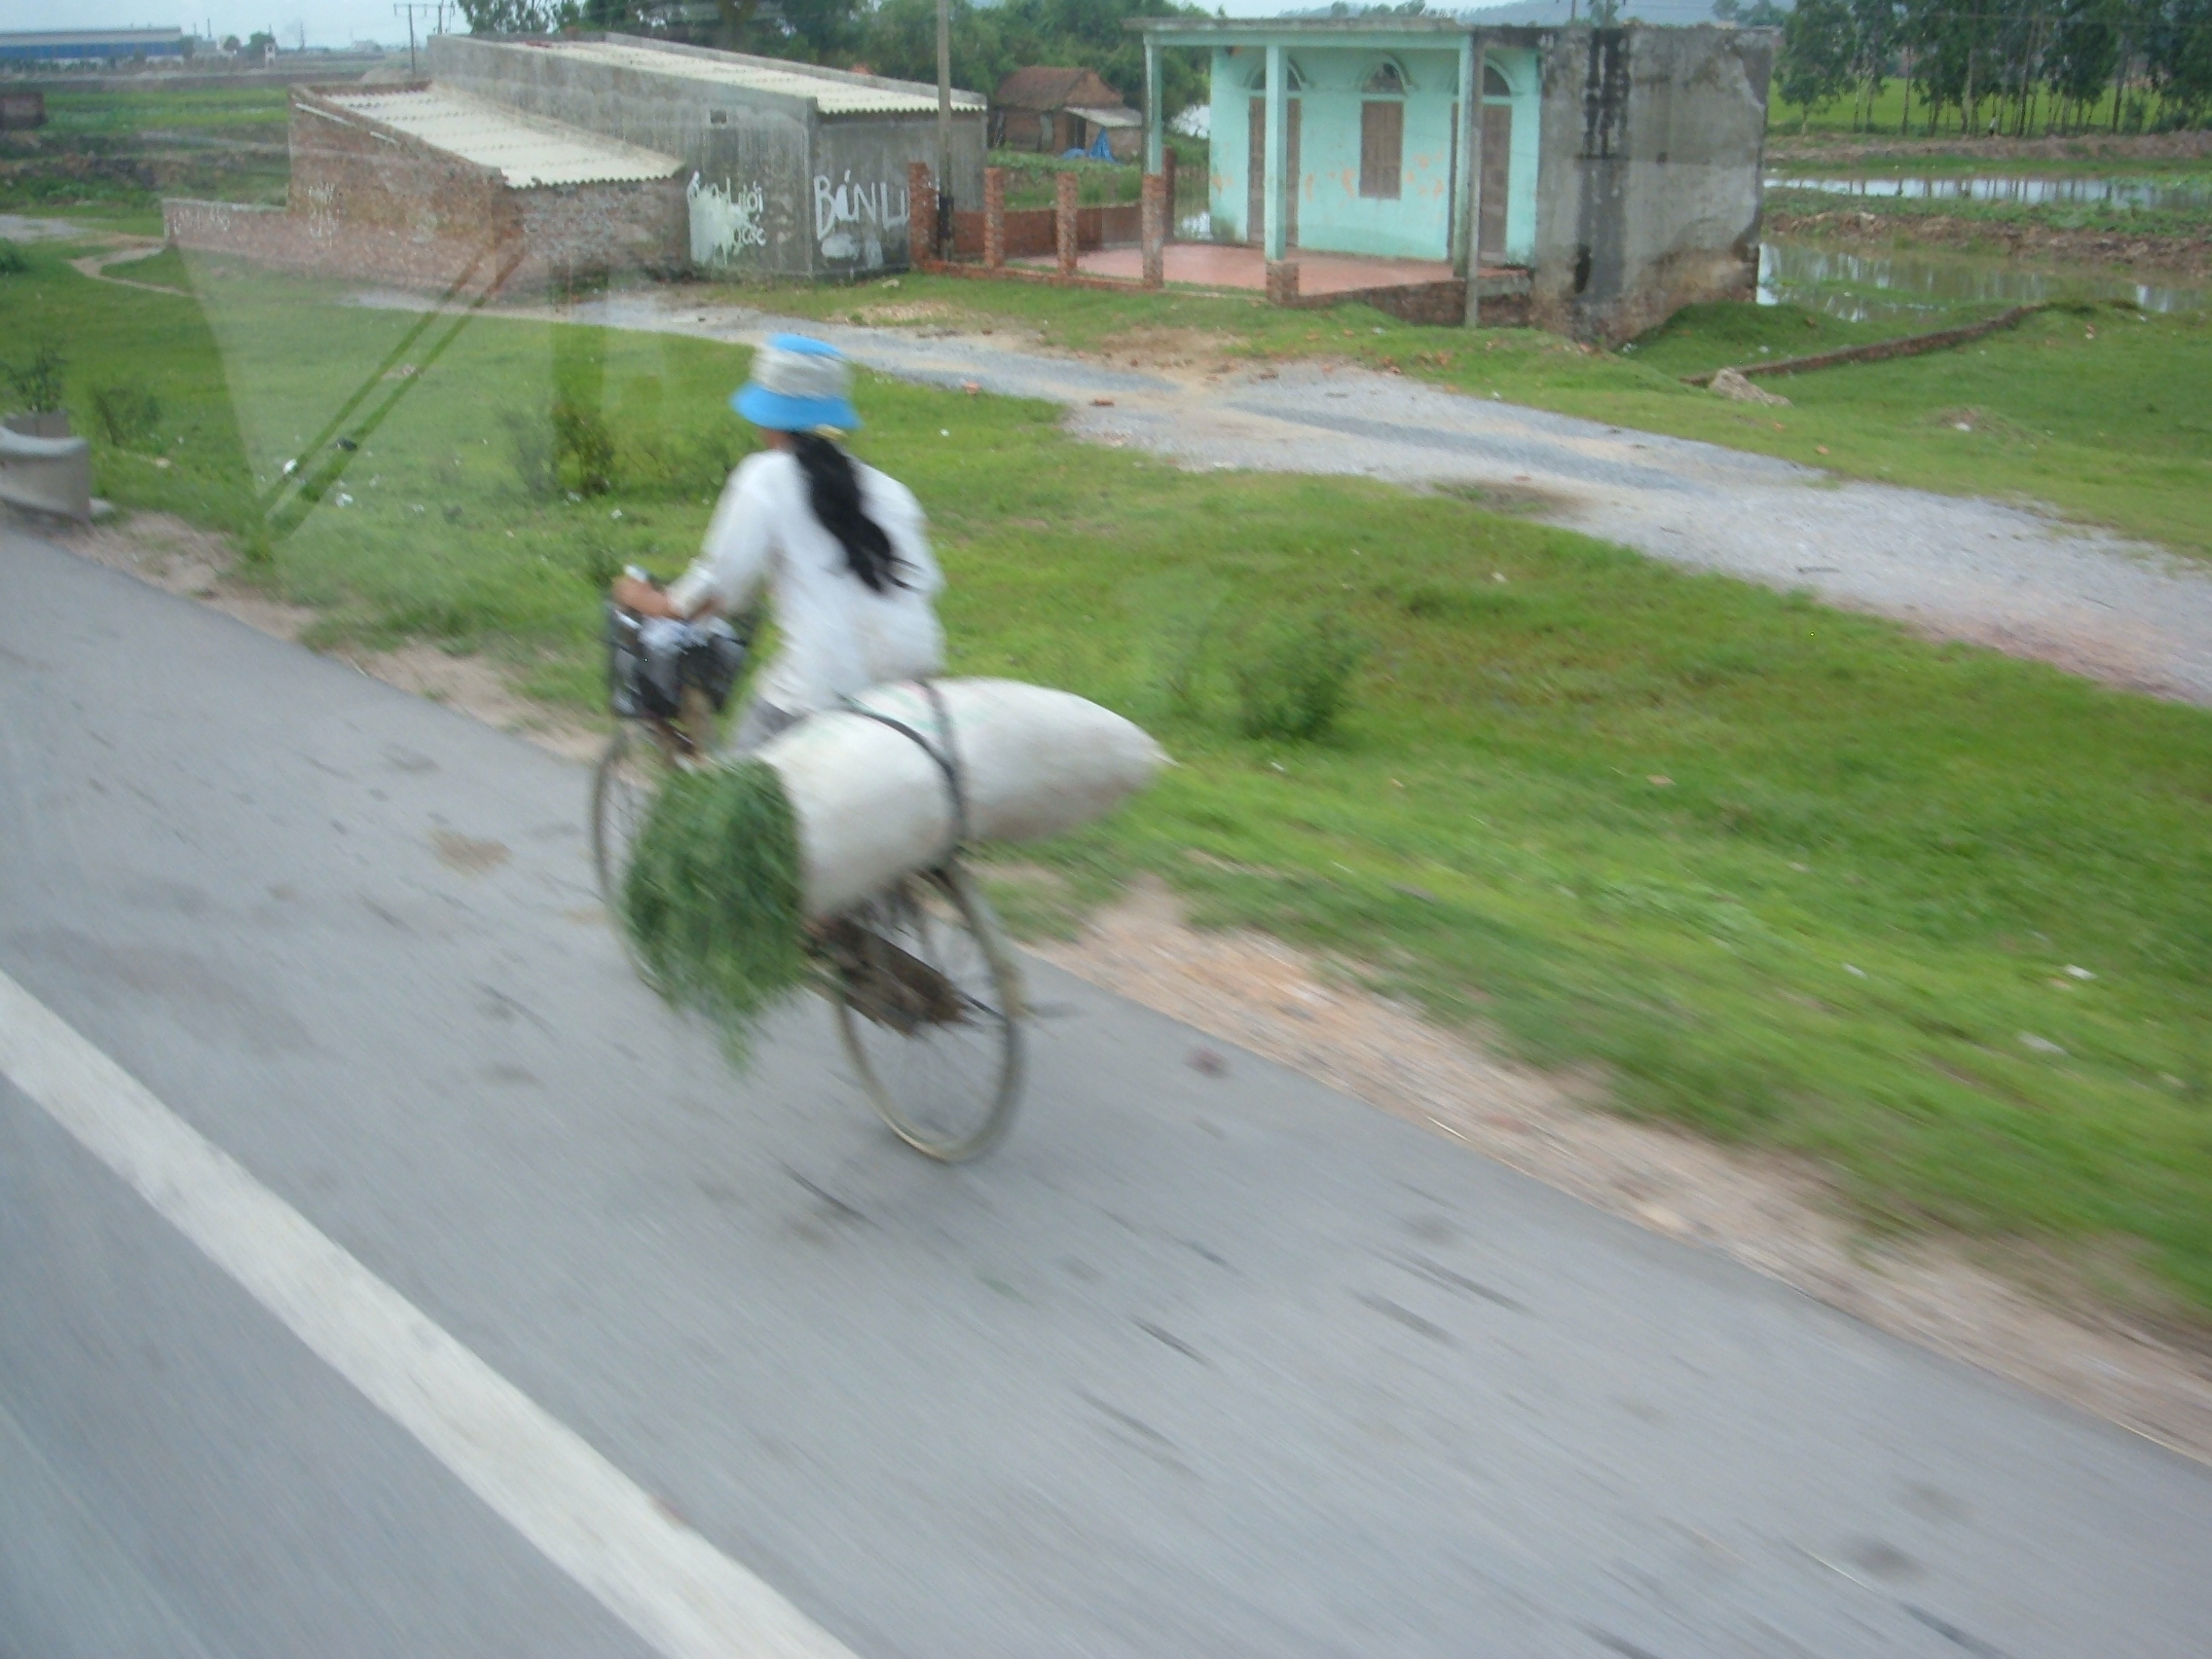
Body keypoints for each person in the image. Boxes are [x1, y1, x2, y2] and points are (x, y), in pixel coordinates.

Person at [611, 334, 945, 751]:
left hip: (822, 685)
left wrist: (652, 601)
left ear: (769, 418)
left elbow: (721, 582)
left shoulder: (764, 477)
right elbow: (926, 584)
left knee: (739, 793)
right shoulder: (890, 491)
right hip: (913, 684)